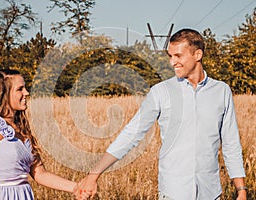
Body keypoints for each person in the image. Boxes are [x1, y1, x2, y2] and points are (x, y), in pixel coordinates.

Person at [75, 29, 247, 200]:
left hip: (210, 192)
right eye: (170, 56)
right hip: (173, 192)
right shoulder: (161, 92)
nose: (173, 62)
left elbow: (231, 142)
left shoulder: (222, 91)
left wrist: (241, 189)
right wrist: (93, 175)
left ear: (198, 54)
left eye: (178, 56)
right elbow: (131, 134)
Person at [0, 69, 90, 200]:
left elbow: (40, 173)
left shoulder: (21, 128)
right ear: (3, 93)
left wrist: (76, 187)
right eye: (20, 89)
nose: (26, 93)